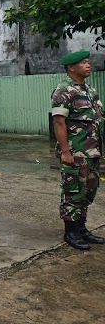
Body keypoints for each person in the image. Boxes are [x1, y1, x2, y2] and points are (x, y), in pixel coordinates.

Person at [51, 50, 105, 250]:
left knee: (88, 191)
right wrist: (65, 152)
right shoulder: (64, 90)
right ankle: (71, 232)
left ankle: (82, 229)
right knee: (73, 192)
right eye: (84, 63)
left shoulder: (90, 91)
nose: (88, 65)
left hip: (92, 152)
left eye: (88, 62)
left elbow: (99, 119)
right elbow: (59, 123)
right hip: (75, 152)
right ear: (72, 67)